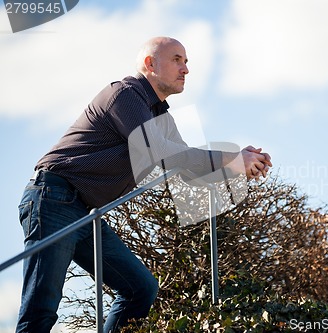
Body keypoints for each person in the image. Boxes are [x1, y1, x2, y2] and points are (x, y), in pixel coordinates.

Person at [16, 36, 272, 333]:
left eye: (187, 62)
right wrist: (231, 156)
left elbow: (186, 169)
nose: (186, 69)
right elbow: (159, 153)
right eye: (177, 59)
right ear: (150, 64)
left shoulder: (160, 116)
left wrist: (240, 167)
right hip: (53, 198)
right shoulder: (125, 94)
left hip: (84, 212)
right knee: (41, 310)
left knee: (140, 288)